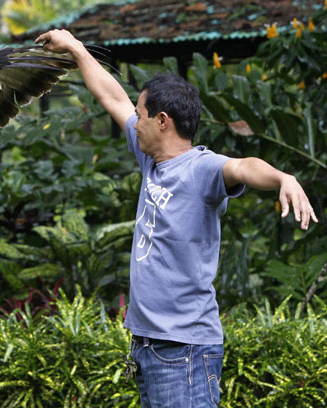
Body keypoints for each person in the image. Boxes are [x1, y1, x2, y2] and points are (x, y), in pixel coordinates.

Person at [34, 29, 318, 407]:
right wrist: (76, 48)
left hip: (184, 349)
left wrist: (283, 178)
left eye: (140, 116)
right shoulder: (150, 158)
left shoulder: (202, 168)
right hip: (148, 345)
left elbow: (244, 167)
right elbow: (111, 96)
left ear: (162, 120)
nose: (133, 122)